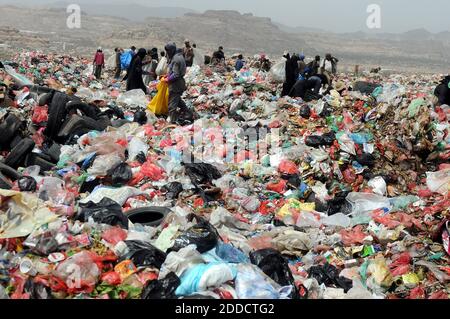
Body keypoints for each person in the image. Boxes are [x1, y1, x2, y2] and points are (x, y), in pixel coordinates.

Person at [162, 42, 192, 124]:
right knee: (177, 100)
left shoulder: (175, 59)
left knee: (172, 104)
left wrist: (167, 79)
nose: (167, 53)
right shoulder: (179, 56)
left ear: (171, 50)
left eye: (168, 51)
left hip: (176, 84)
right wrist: (168, 75)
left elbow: (176, 74)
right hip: (180, 83)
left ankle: (173, 122)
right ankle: (189, 113)